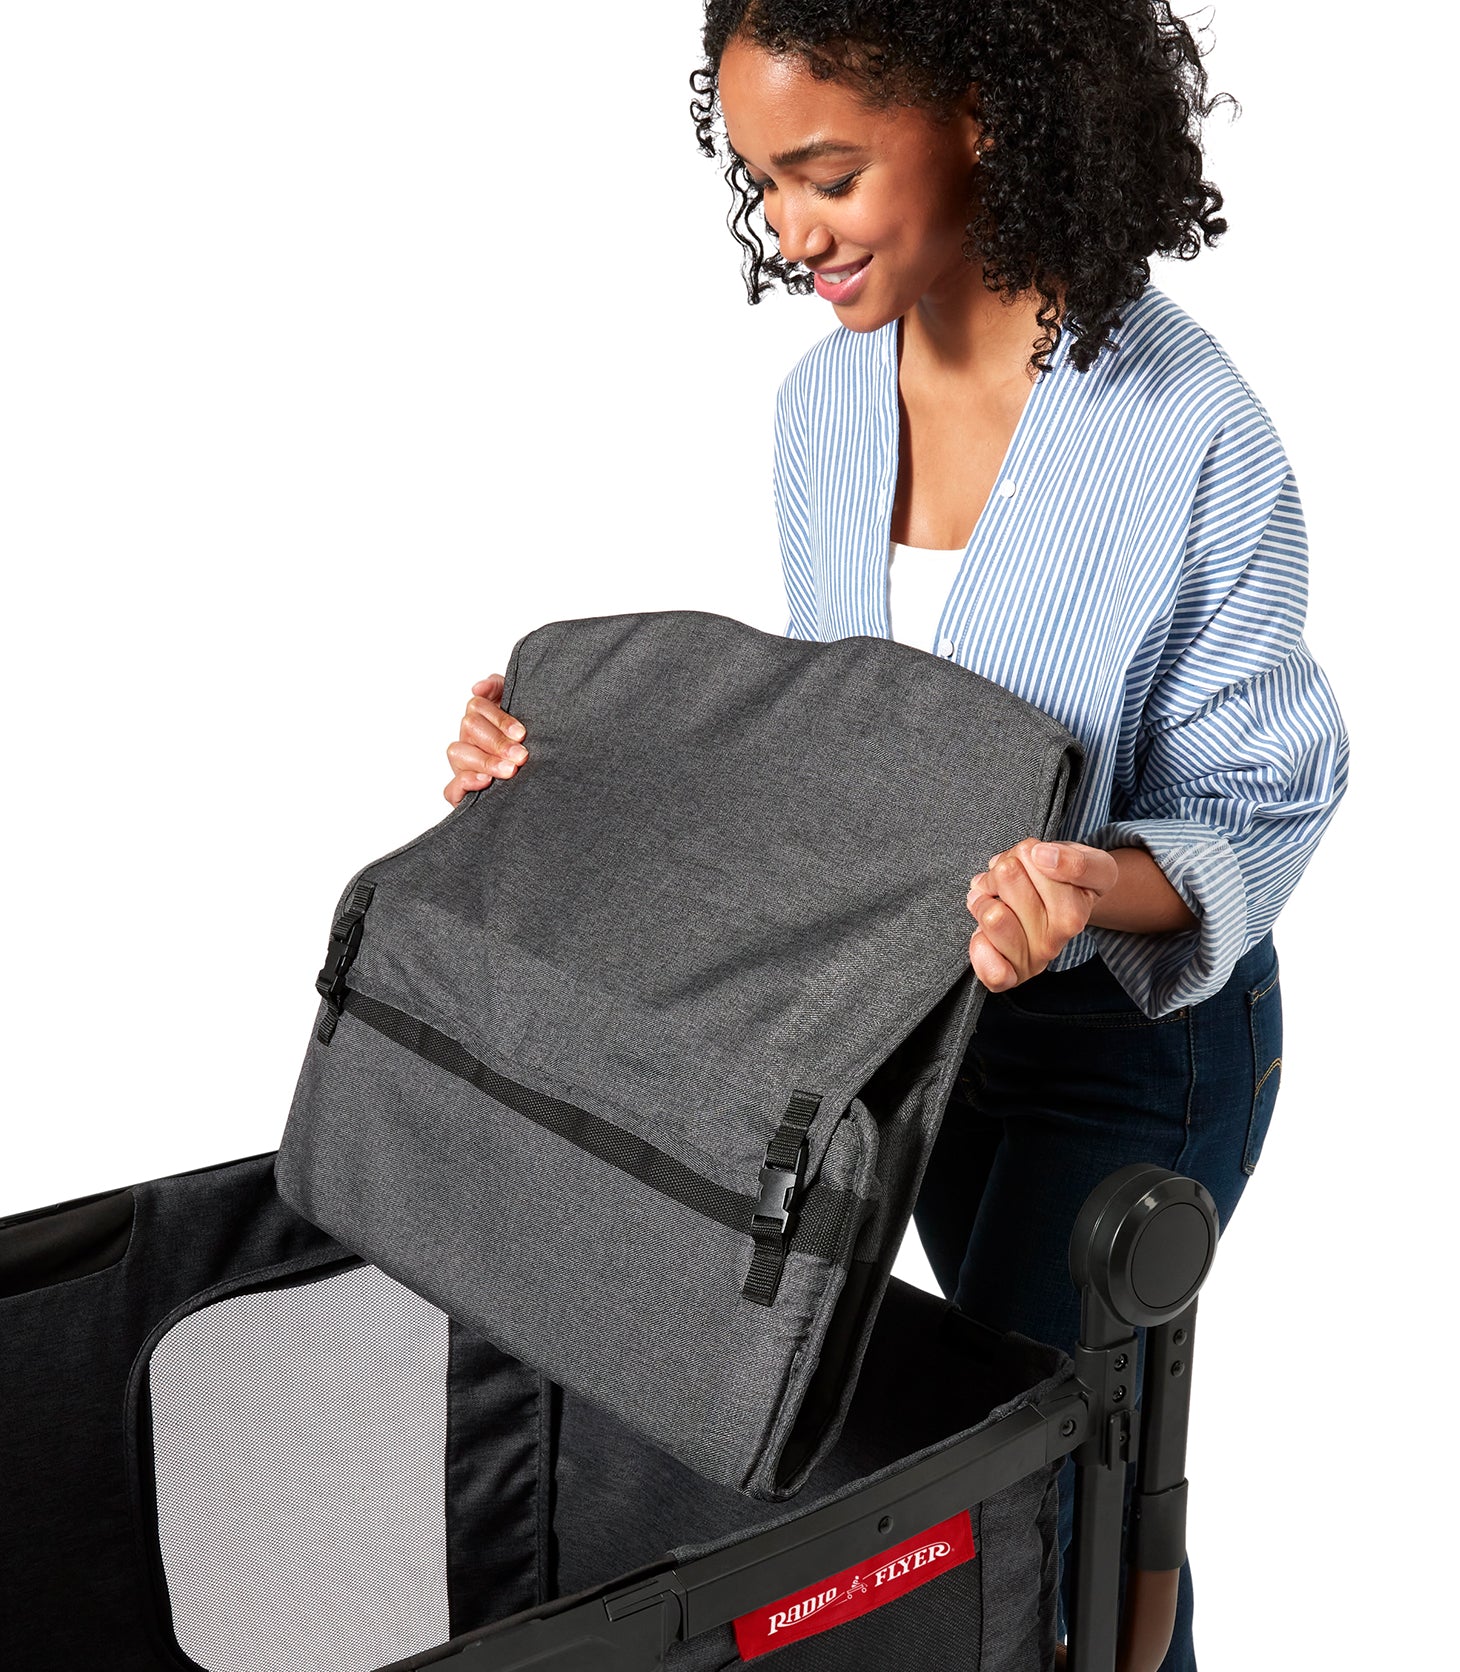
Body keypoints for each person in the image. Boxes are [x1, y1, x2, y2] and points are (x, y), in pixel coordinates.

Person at [442, 4, 1350, 1665]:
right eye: (762, 183)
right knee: (976, 1466)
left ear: (984, 113)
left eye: (828, 173)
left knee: (1056, 1508)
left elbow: (1262, 796)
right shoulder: (825, 408)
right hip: (911, 1040)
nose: (789, 229)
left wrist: (1089, 886)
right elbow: (831, 760)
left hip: (1129, 1049)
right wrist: (561, 767)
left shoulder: (1190, 431)